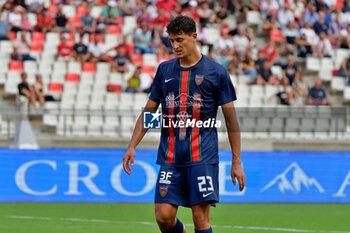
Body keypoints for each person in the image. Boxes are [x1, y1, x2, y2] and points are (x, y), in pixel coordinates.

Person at [122, 16, 245, 233]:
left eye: (180, 40)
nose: (175, 46)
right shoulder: (165, 70)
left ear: (194, 37)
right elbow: (150, 110)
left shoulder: (216, 72)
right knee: (164, 217)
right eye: (171, 41)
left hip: (202, 157)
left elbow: (231, 120)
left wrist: (237, 161)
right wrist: (132, 145)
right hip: (170, 157)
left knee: (200, 216)